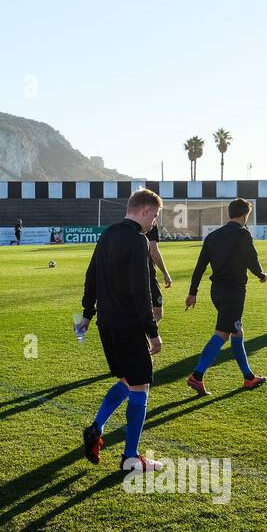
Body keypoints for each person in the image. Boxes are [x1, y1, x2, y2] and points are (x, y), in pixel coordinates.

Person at [77, 188, 165, 473]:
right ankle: (131, 457)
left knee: (128, 379)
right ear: (144, 211)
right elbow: (141, 292)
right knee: (141, 385)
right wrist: (152, 331)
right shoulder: (138, 240)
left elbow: (90, 276)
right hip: (128, 324)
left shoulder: (107, 234)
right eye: (155, 215)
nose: (154, 222)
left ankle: (96, 427)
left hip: (107, 324)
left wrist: (88, 314)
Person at [184, 198, 267, 396]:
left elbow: (200, 266)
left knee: (236, 331)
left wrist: (193, 292)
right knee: (222, 333)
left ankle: (249, 377)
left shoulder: (213, 236)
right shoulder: (242, 234)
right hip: (234, 292)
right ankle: (196, 376)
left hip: (217, 291)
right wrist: (261, 274)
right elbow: (251, 259)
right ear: (244, 214)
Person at [147, 216, 172, 322]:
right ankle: (146, 337)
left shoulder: (125, 226)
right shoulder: (150, 224)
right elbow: (153, 252)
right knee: (157, 313)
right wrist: (165, 273)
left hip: (126, 275)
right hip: (147, 274)